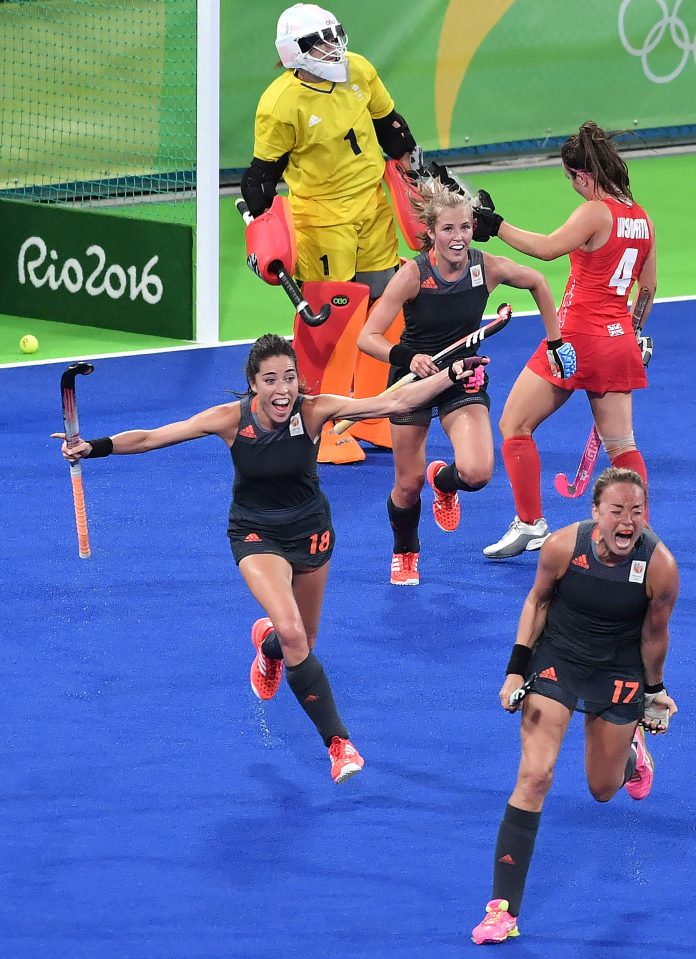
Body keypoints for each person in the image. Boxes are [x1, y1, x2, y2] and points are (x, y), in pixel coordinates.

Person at [52, 334, 483, 784]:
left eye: (290, 378)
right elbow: (153, 437)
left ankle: (267, 647)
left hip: (312, 533)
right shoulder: (230, 421)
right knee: (296, 632)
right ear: (253, 384)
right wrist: (94, 447)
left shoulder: (314, 410)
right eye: (271, 380)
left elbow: (391, 403)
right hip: (257, 535)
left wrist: (452, 376)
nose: (283, 390)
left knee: (300, 642)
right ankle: (339, 744)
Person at [471, 467, 679, 945]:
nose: (628, 522)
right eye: (617, 511)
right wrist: (515, 670)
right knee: (535, 775)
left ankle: (631, 752)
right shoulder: (564, 546)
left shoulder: (661, 566)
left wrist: (652, 690)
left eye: (637, 512)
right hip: (558, 658)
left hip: (620, 670)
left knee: (603, 789)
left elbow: (654, 634)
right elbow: (537, 603)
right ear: (596, 514)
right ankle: (502, 909)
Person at [356, 178, 576, 586]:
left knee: (476, 473)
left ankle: (446, 481)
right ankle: (405, 550)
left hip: (463, 375)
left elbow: (540, 283)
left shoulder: (485, 267)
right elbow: (366, 337)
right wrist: (409, 357)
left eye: (465, 228)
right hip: (413, 378)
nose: (458, 239)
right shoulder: (412, 276)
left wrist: (555, 341)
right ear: (432, 233)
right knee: (407, 484)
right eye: (448, 229)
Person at [474, 121, 656, 559]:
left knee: (514, 425)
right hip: (617, 343)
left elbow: (548, 248)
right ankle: (638, 533)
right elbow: (647, 289)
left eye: (570, 178)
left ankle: (531, 523)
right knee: (623, 446)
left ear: (582, 175)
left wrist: (497, 226)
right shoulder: (642, 218)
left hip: (574, 340)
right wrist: (633, 336)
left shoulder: (596, 210)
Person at [241, 3, 417, 302]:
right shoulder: (279, 104)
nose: (334, 46)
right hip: (322, 220)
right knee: (334, 313)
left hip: (373, 207)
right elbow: (260, 179)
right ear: (294, 50)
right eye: (322, 41)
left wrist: (417, 182)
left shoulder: (359, 69)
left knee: (384, 302)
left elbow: (393, 130)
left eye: (335, 36)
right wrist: (266, 232)